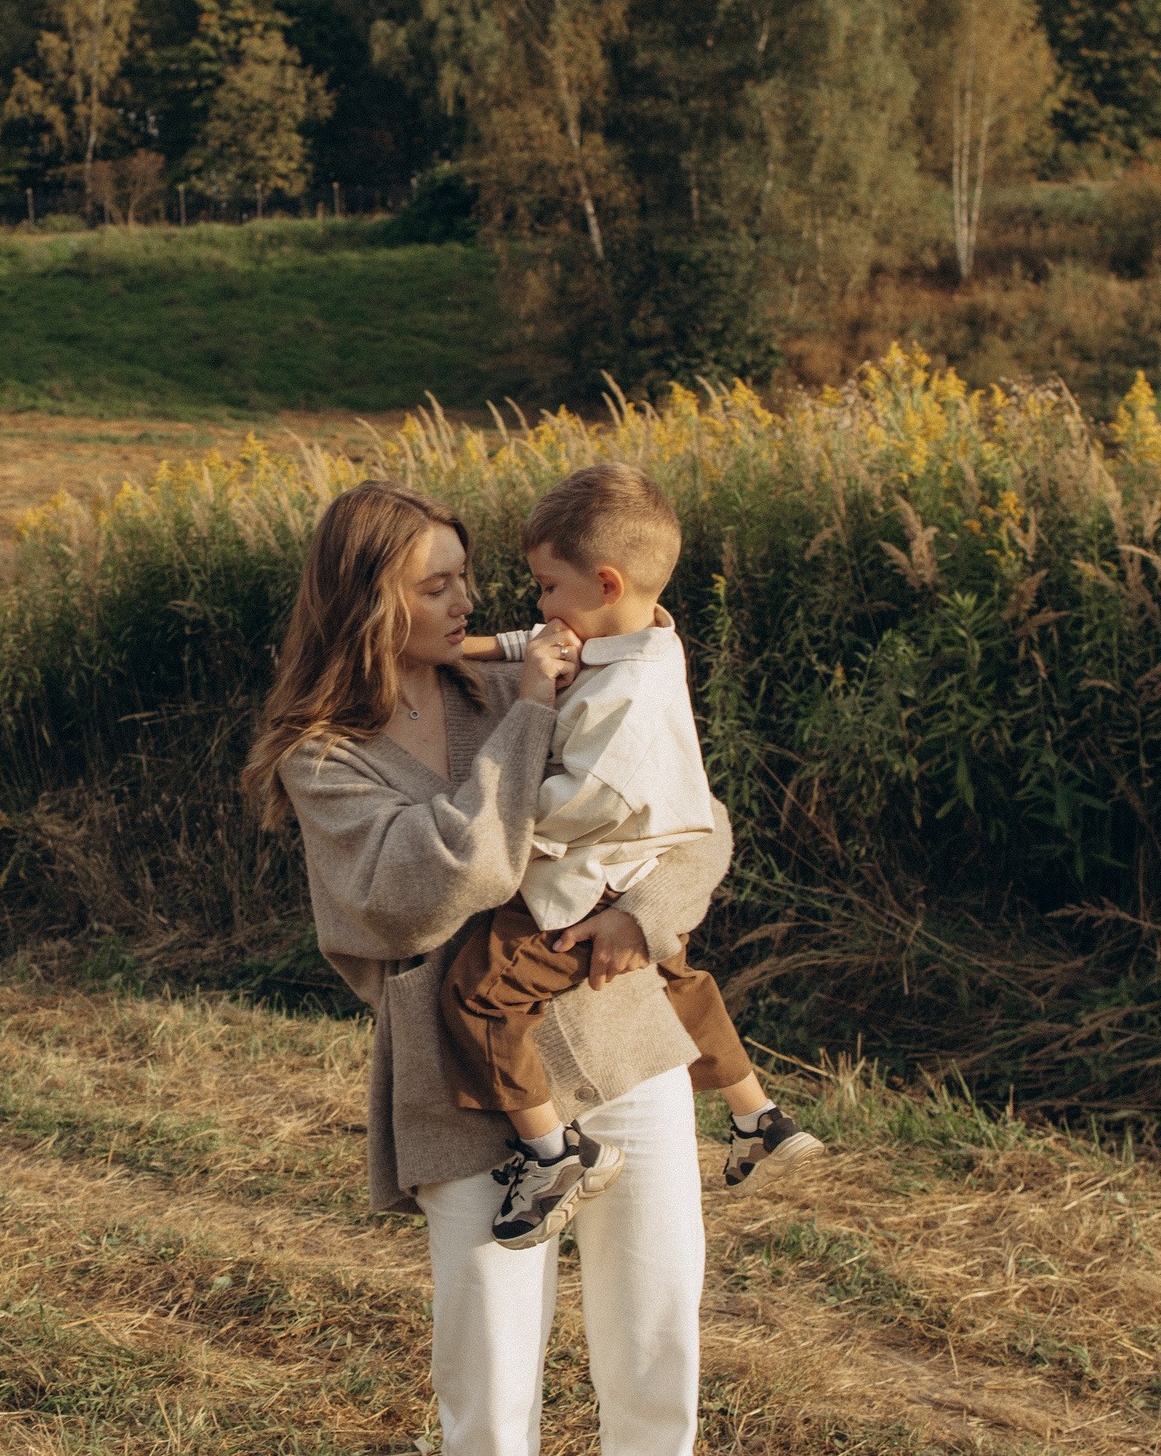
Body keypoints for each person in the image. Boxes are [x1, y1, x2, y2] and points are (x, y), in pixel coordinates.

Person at [244, 479, 722, 1456]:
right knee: (491, 1392)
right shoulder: (325, 754)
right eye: (437, 588)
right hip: (460, 1074)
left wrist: (647, 914)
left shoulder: (510, 680)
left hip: (618, 1031)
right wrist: (533, 719)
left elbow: (691, 816)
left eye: (467, 579)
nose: (468, 605)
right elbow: (432, 884)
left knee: (655, 1353)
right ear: (368, 599)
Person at [451, 465, 821, 1246]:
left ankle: (552, 1151)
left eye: (547, 586)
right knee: (679, 979)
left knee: (481, 990)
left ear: (605, 579)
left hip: (590, 880)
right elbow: (547, 639)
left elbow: (584, 806)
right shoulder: (641, 630)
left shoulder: (626, 700)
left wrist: (500, 838)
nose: (541, 606)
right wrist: (472, 649)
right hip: (653, 861)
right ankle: (758, 1113)